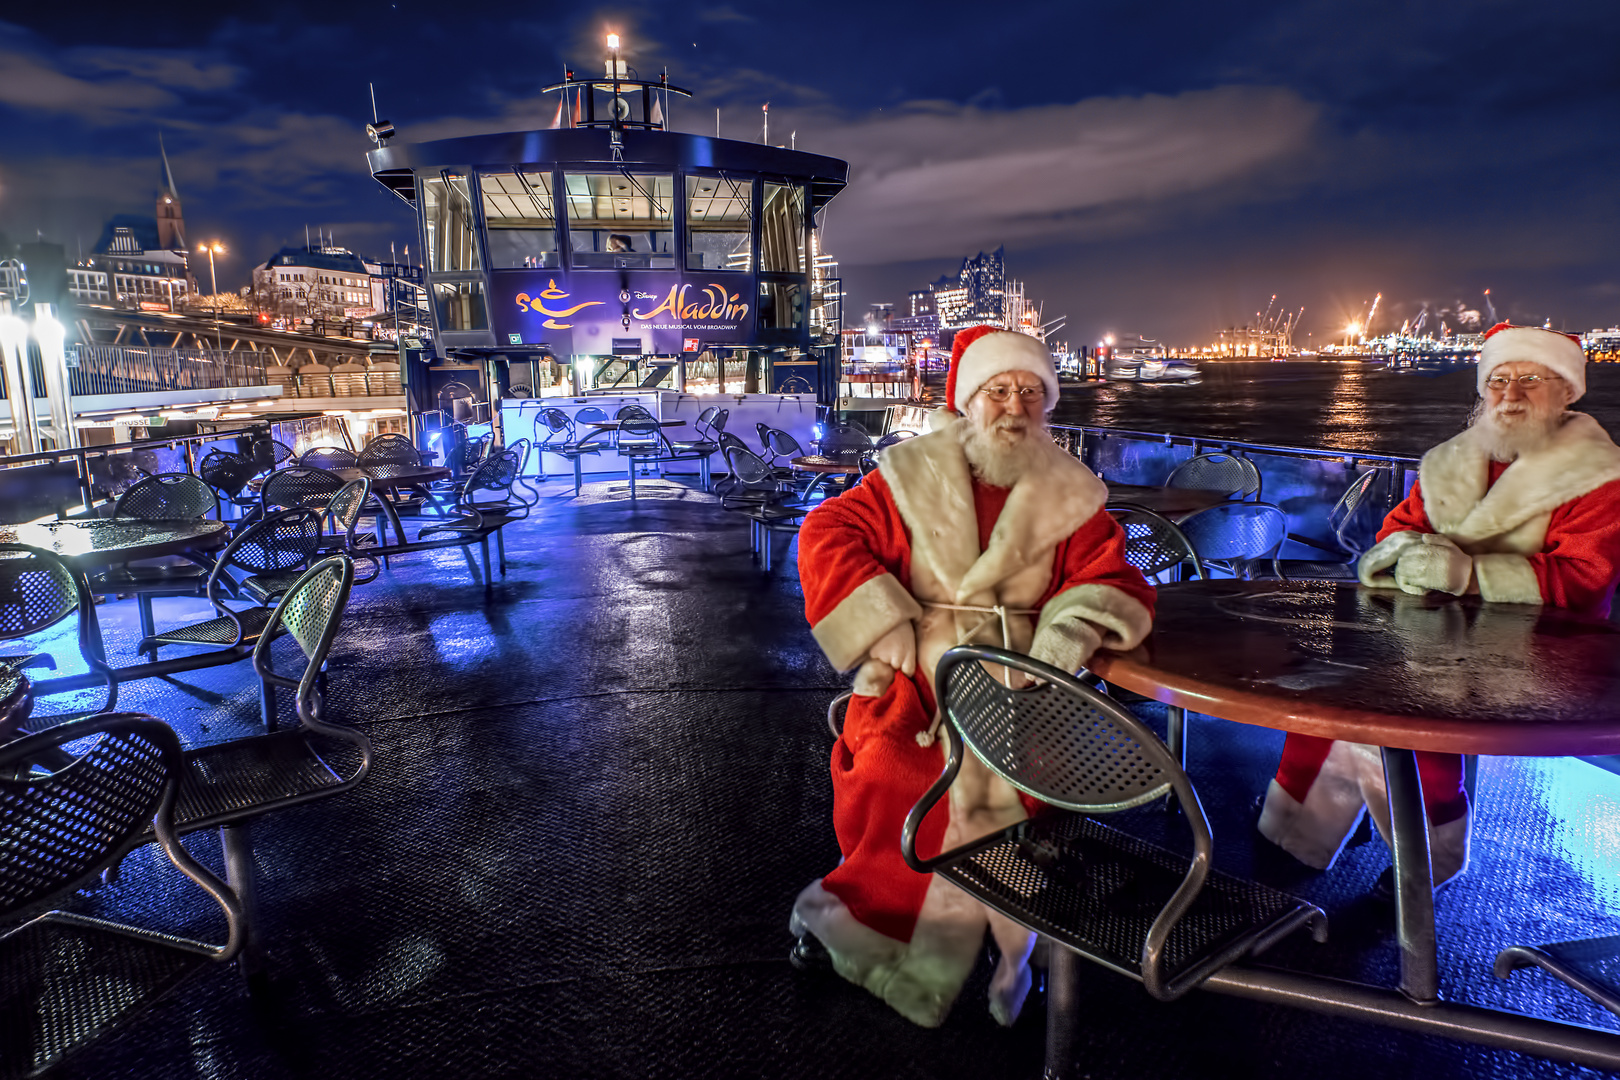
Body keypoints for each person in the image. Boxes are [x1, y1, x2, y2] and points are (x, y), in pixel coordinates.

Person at [789, 325, 1156, 1028]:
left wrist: (1069, 630)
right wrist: (883, 620)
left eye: (1028, 391)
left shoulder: (1073, 494)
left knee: (1035, 776)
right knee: (898, 767)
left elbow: (1112, 575)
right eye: (998, 390)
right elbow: (827, 533)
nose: (1013, 406)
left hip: (1023, 681)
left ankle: (1006, 920)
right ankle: (867, 920)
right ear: (969, 400)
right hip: (919, 680)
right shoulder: (906, 473)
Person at [1258, 323, 1620, 893]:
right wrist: (1393, 554)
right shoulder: (1447, 463)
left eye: (1530, 379)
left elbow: (1584, 583)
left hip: (1537, 651)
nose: (1510, 394)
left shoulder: (1600, 478)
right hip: (1423, 633)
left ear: (1568, 391)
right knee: (1324, 691)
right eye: (1498, 380)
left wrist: (1473, 576)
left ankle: (1406, 856)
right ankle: (1315, 836)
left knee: (1401, 709)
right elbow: (1398, 530)